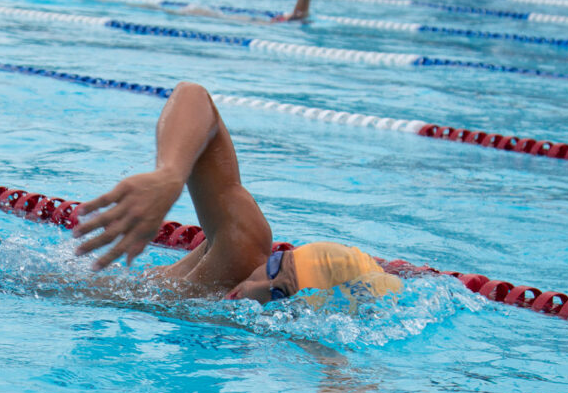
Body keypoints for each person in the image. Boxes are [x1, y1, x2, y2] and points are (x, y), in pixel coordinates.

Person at [73, 82, 400, 307]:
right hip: (68, 289)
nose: (259, 283)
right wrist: (170, 174)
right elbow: (194, 95)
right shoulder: (243, 250)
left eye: (281, 293)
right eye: (275, 264)